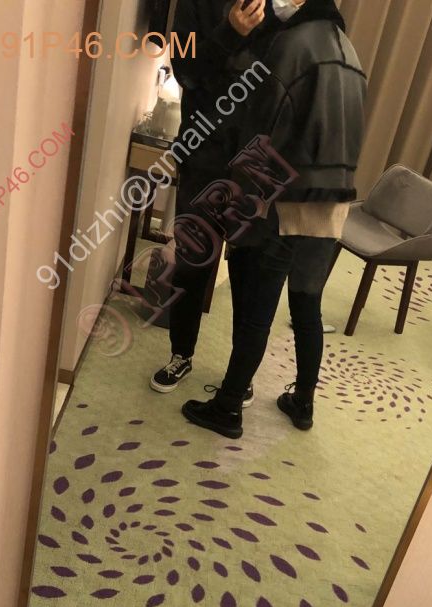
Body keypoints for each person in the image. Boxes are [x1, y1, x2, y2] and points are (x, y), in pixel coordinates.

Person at [181, 0, 366, 439]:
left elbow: (263, 132)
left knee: (257, 308)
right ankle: (303, 401)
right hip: (334, 200)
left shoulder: (292, 45)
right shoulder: (349, 51)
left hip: (288, 197)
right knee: (306, 301)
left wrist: (243, 202)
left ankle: (228, 407)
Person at [149, 0, 265, 401]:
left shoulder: (279, 8)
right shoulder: (195, 4)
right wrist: (230, 32)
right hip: (204, 155)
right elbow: (187, 72)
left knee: (250, 272)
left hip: (259, 160)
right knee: (193, 261)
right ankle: (181, 354)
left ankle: (240, 373)